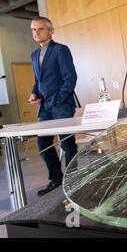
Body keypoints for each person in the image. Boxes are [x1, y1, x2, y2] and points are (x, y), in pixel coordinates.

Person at [28, 16, 78, 196]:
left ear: (51, 31)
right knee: (43, 144)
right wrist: (34, 93)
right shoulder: (34, 55)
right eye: (33, 30)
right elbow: (37, 80)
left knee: (67, 144)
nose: (36, 33)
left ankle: (73, 181)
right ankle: (56, 179)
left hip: (61, 105)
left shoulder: (60, 50)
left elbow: (70, 78)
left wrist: (58, 99)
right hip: (44, 109)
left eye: (40, 29)